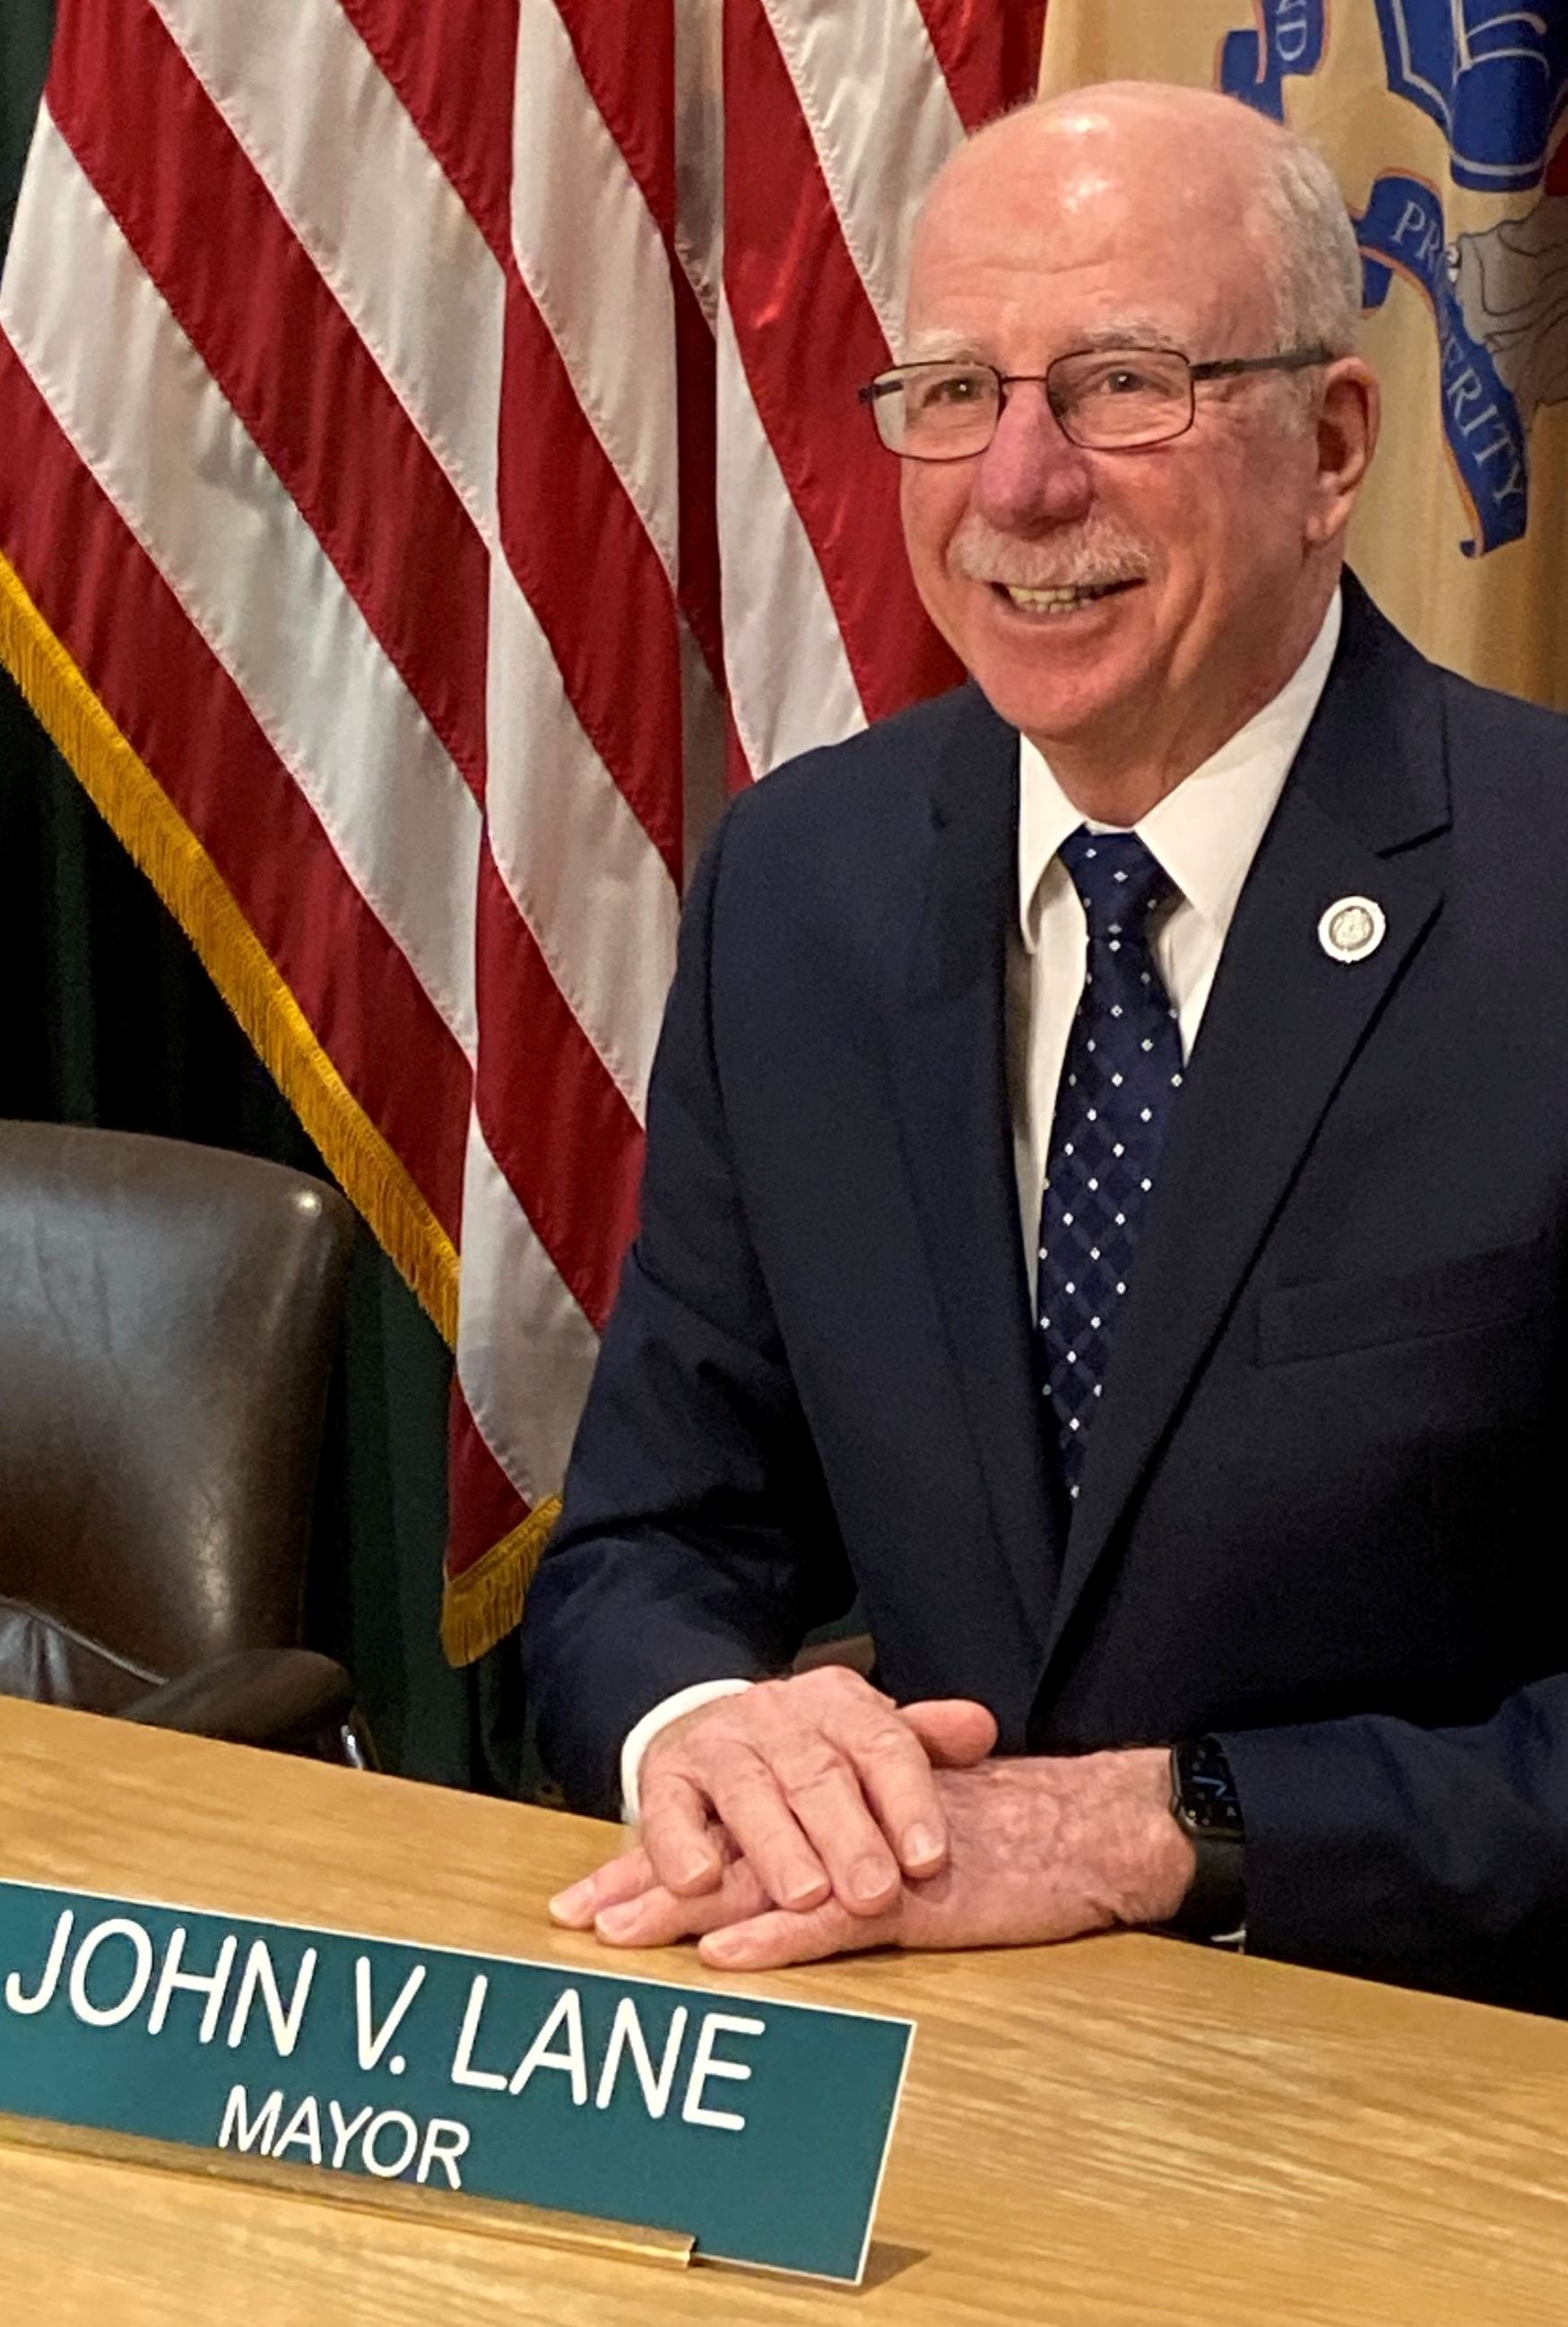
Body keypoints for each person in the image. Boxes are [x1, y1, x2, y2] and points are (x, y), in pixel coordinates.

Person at [523, 81, 1568, 2016]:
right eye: (947, 392)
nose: (1013, 485)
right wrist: (707, 1730)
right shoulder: (799, 882)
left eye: (1115, 387)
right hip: (916, 2054)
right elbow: (646, 1549)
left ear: (1330, 444)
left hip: (1432, 2084)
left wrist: (1166, 1823)